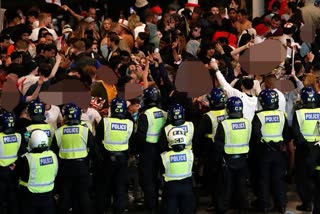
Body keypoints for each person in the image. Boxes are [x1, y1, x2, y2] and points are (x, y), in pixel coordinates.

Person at [251, 89, 290, 213]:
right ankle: (281, 205)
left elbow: (255, 136)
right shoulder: (282, 115)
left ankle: (265, 205)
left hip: (264, 152)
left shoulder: (259, 116)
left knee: (264, 179)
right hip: (279, 152)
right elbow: (287, 135)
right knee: (279, 179)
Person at [51, 103, 94, 214]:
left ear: (65, 116)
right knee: (83, 195)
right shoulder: (85, 130)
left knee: (65, 195)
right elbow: (93, 149)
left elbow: (54, 152)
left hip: (65, 168)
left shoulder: (59, 132)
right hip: (82, 167)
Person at [95, 97, 134, 214]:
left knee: (105, 185)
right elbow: (131, 142)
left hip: (107, 158)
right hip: (122, 159)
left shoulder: (105, 122)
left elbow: (98, 140)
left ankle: (104, 209)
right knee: (121, 186)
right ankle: (120, 209)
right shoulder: (129, 124)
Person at [214, 96, 251, 214]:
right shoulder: (247, 122)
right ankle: (243, 208)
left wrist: (217, 161)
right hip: (243, 160)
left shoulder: (224, 124)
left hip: (228, 161)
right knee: (242, 187)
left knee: (226, 187)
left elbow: (218, 146)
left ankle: (223, 209)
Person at [135, 87, 167, 213]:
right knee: (162, 179)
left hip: (148, 151)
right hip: (162, 149)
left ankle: (151, 207)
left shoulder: (145, 115)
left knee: (148, 181)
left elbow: (141, 137)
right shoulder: (164, 113)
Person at [197, 88, 227, 211]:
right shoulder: (228, 111)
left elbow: (199, 135)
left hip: (212, 151)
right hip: (228, 149)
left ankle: (216, 204)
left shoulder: (208, 116)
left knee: (214, 180)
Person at [16, 129, 58, 214]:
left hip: (30, 196)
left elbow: (17, 174)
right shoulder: (53, 155)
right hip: (48, 195)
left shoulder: (27, 158)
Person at [292, 87, 320, 212]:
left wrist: (306, 145)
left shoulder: (298, 114)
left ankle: (307, 203)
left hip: (304, 151)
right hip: (318, 150)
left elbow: (296, 135)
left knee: (303, 179)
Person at [160, 127, 195, 214]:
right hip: (187, 186)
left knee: (169, 210)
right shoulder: (190, 154)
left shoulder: (164, 156)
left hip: (170, 187)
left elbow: (161, 172)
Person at [0, 112, 24, 214]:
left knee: (2, 199)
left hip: (1, 172)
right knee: (13, 197)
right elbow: (22, 153)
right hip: (14, 170)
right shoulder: (18, 136)